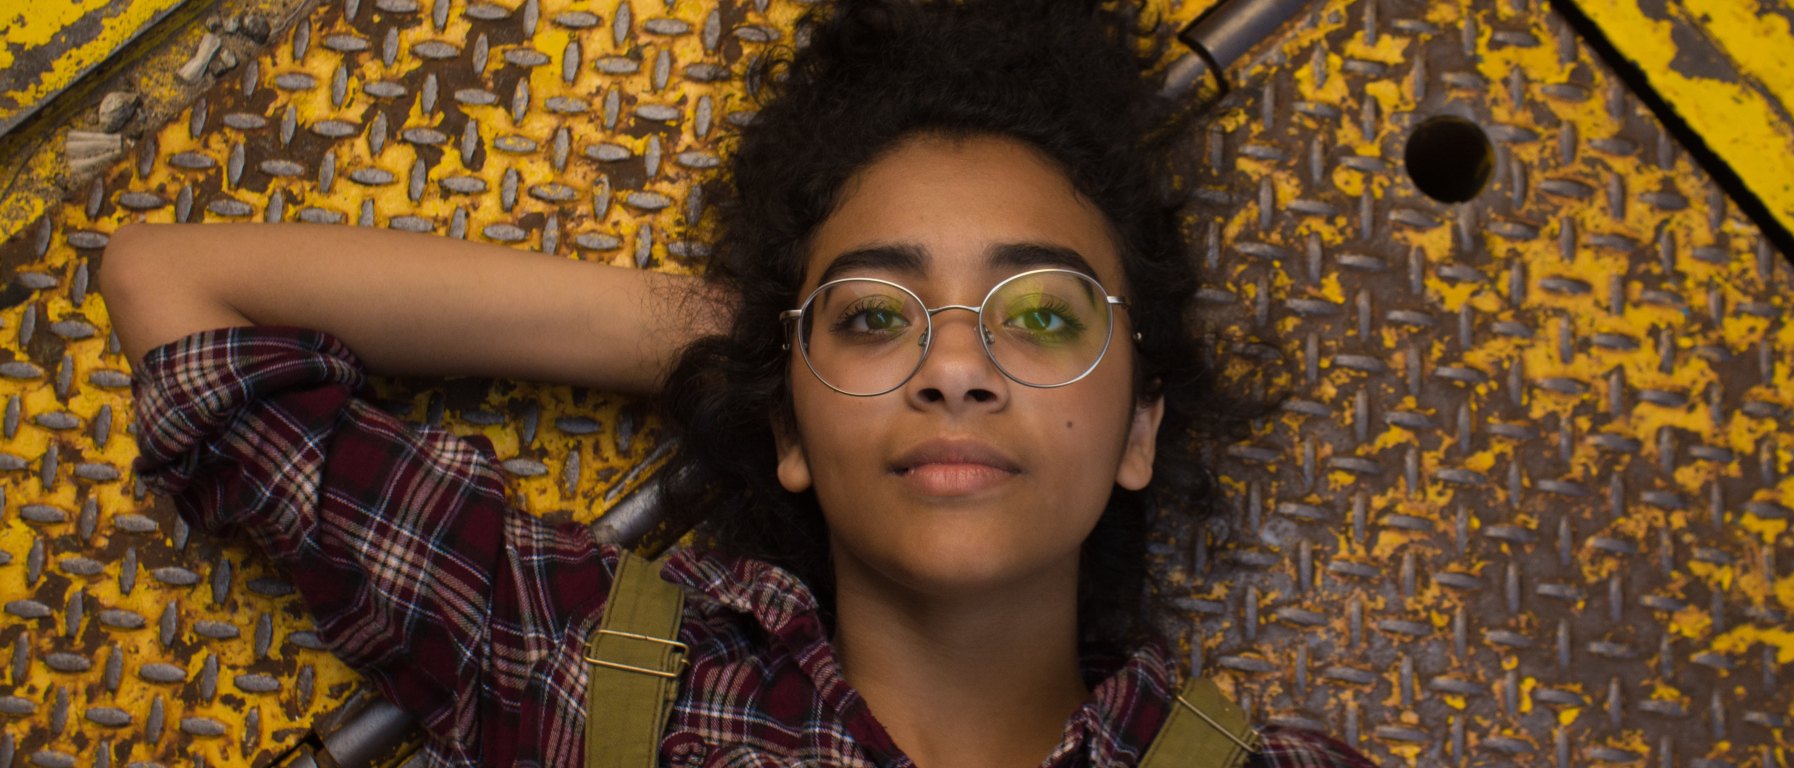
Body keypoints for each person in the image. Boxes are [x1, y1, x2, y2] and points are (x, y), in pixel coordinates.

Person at [102, 0, 1378, 766]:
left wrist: (824, 350)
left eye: (1040, 315)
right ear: (790, 428)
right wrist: (746, 348)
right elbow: (180, 290)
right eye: (876, 318)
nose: (953, 366)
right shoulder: (594, 683)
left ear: (1141, 428)